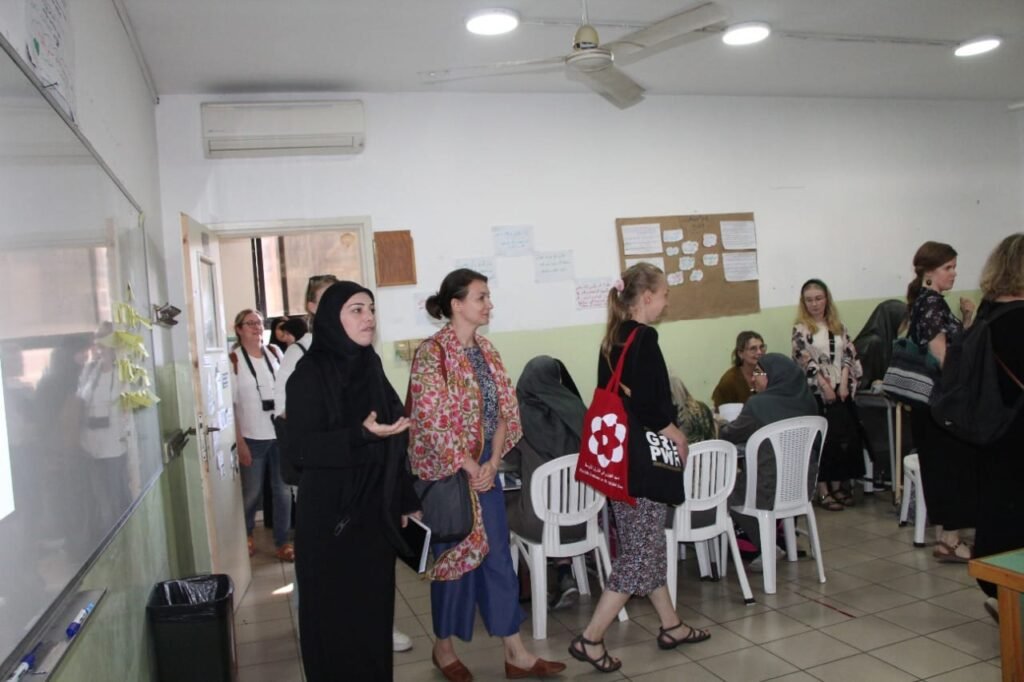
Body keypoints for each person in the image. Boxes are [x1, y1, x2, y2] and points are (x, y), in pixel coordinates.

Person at [407, 269, 564, 682]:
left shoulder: (487, 351)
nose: (488, 304)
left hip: (486, 474)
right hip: (450, 478)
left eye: (488, 296)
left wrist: (493, 461)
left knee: (498, 561)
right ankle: (443, 649)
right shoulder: (432, 354)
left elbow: (505, 412)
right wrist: (470, 466)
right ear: (456, 304)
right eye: (481, 297)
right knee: (453, 565)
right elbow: (432, 420)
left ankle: (515, 652)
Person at [568, 263, 707, 674]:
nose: (666, 303)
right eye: (664, 295)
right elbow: (650, 405)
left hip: (618, 459)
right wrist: (677, 436)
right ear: (646, 298)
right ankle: (591, 638)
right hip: (644, 461)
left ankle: (671, 625)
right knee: (639, 553)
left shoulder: (612, 339)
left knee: (643, 545)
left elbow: (618, 397)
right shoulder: (644, 337)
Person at [285, 281, 421, 682]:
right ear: (332, 318)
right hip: (330, 523)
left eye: (371, 309)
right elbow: (300, 452)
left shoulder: (370, 366)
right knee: (334, 625)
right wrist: (358, 436)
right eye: (357, 310)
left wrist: (404, 498)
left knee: (372, 621)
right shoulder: (308, 374)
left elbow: (394, 433)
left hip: (373, 517)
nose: (369, 318)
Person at [905, 241, 978, 563]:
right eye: (948, 268)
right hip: (940, 404)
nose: (954, 273)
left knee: (940, 468)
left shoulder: (926, 302)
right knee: (950, 468)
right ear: (930, 272)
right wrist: (962, 390)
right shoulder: (931, 304)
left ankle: (944, 538)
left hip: (930, 405)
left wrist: (966, 318)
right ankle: (950, 540)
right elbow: (942, 355)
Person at [719, 353, 820, 558]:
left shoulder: (757, 405)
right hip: (803, 486)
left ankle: (766, 545)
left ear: (773, 375)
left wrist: (722, 424)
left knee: (724, 491)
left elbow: (728, 435)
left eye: (758, 373)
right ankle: (778, 539)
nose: (753, 378)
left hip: (767, 490)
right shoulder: (808, 402)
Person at [506, 355, 586, 610]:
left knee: (504, 502)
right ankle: (564, 572)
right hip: (582, 520)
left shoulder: (520, 416)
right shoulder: (578, 409)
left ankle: (522, 583)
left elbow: (509, 460)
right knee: (558, 500)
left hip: (538, 523)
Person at [973, 233, 1024, 607]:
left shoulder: (985, 315)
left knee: (1000, 520)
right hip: (1019, 432)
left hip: (992, 433)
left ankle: (1002, 599)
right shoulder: (1020, 320)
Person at [791, 279, 864, 511]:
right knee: (823, 443)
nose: (814, 304)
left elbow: (849, 354)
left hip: (841, 389)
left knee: (842, 439)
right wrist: (824, 385)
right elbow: (804, 359)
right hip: (817, 393)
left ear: (826, 299)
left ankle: (838, 486)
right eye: (809, 300)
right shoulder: (801, 329)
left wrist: (843, 382)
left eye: (818, 299)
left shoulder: (838, 326)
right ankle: (823, 490)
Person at [230, 309, 292, 560]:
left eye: (259, 323)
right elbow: (231, 406)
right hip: (252, 437)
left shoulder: (275, 352)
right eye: (250, 323)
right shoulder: (233, 360)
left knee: (283, 491)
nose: (257, 327)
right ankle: (246, 534)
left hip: (279, 435)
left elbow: (287, 389)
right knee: (252, 492)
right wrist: (239, 442)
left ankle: (282, 542)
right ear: (239, 329)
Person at [711, 331, 767, 409]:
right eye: (753, 349)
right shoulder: (729, 380)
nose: (759, 352)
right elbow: (720, 412)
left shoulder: (768, 371)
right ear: (740, 353)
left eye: (761, 347)